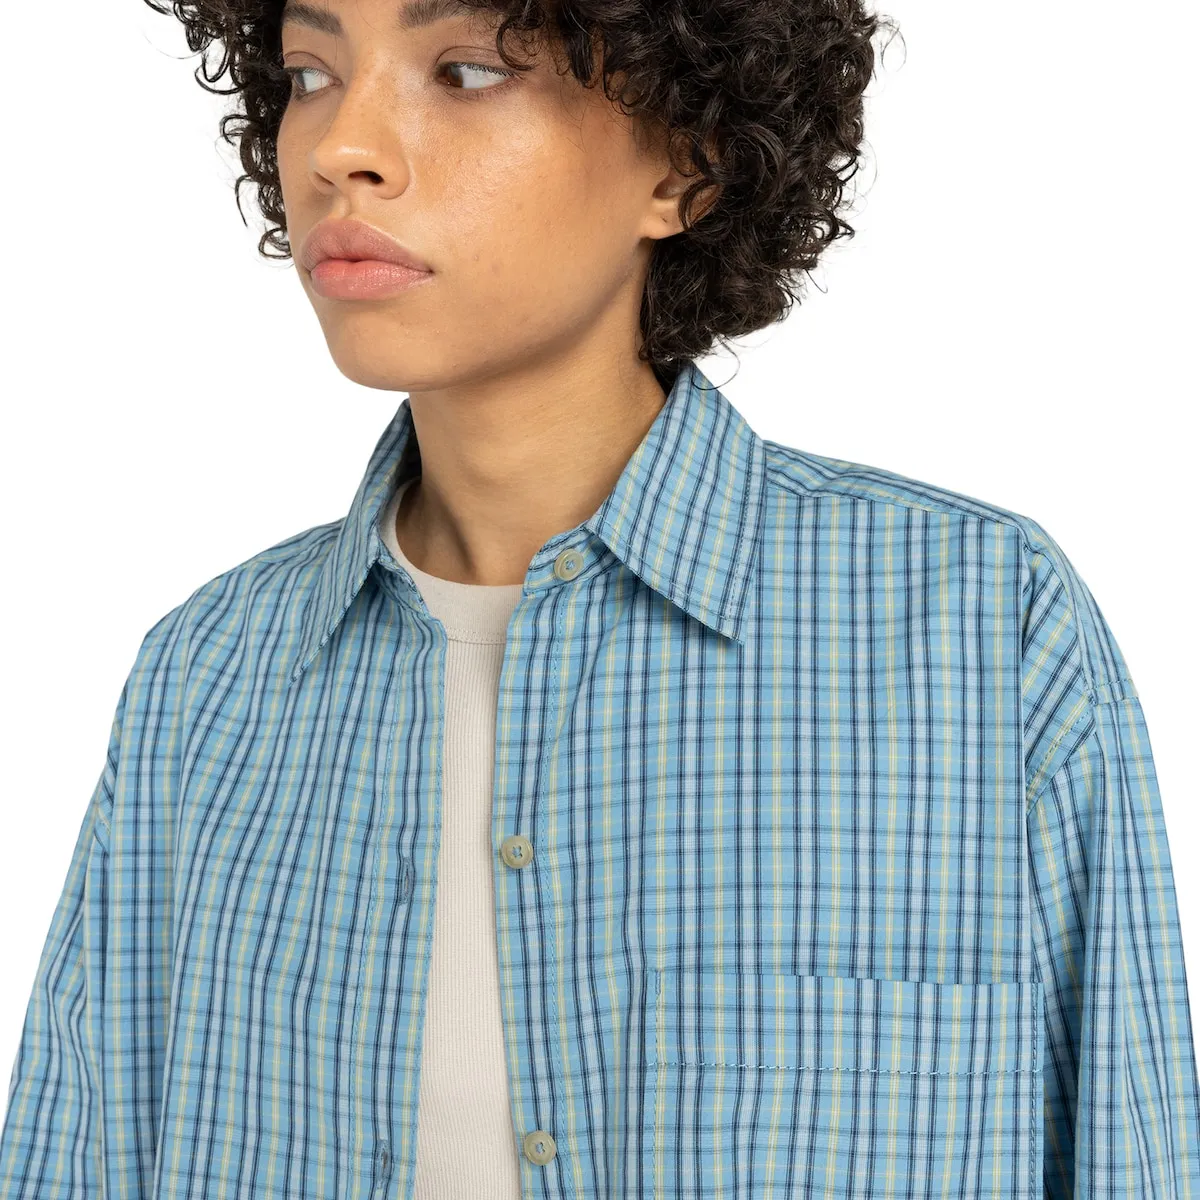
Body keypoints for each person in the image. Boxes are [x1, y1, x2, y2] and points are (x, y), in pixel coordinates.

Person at [2, 0, 1198, 1197]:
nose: (339, 149)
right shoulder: (205, 680)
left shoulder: (978, 629)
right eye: (311, 74)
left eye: (465, 71)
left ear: (686, 162)